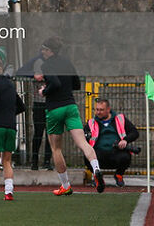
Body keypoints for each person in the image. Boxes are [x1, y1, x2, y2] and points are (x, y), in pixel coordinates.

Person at [38, 36, 104, 195]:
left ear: (49, 50)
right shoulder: (67, 62)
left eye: (44, 49)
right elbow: (77, 84)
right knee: (83, 143)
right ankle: (96, 168)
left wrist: (44, 91)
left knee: (56, 148)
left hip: (55, 109)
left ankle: (65, 185)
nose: (42, 52)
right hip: (71, 106)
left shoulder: (46, 64)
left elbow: (55, 83)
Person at [0, 57, 25, 201]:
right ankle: (9, 192)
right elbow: (21, 106)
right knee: (7, 161)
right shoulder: (10, 85)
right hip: (11, 125)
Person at [84, 98, 139, 188]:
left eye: (101, 110)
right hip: (98, 155)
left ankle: (119, 175)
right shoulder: (91, 123)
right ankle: (97, 176)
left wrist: (125, 140)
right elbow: (84, 137)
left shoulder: (120, 119)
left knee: (125, 156)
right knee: (87, 155)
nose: (98, 112)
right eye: (97, 109)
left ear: (108, 110)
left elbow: (134, 132)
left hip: (116, 153)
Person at [16, 50, 53, 170]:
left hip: (51, 103)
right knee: (38, 132)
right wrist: (34, 75)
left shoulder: (55, 62)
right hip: (38, 103)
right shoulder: (36, 61)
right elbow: (20, 72)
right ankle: (34, 161)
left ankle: (47, 161)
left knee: (51, 133)